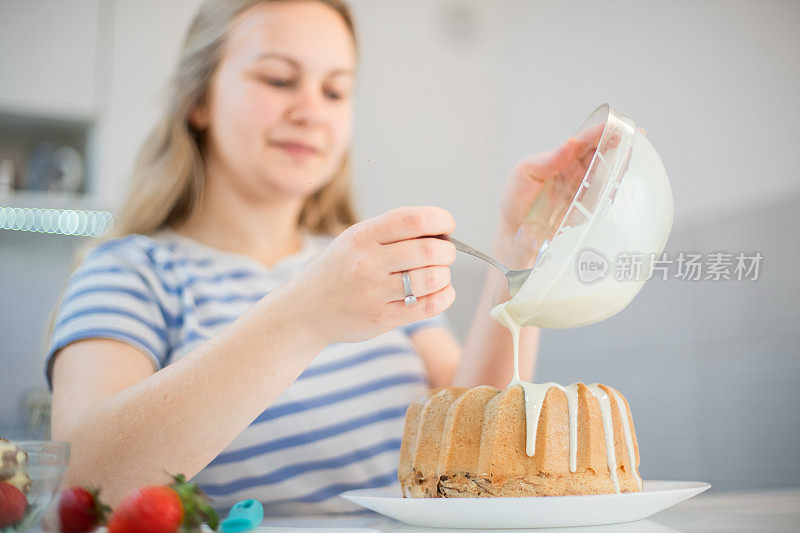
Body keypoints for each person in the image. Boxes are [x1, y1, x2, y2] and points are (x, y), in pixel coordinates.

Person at [46, 0, 588, 517]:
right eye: (279, 80)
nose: (309, 111)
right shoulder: (131, 272)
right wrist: (306, 316)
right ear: (200, 100)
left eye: (335, 91)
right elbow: (82, 487)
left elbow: (475, 439)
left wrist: (524, 244)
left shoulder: (363, 268)